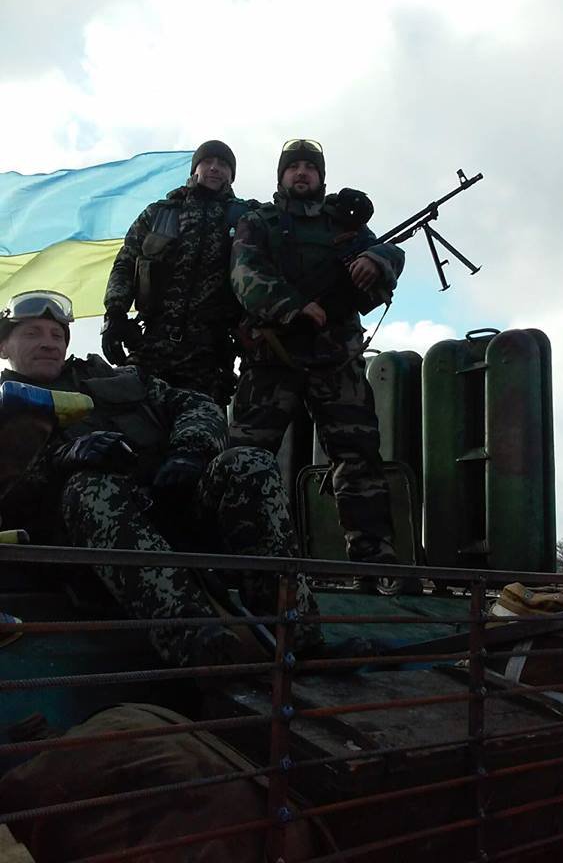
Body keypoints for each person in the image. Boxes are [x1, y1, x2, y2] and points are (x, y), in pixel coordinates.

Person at [0, 290, 322, 664]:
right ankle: (197, 639)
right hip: (81, 555)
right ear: (4, 347)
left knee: (249, 463)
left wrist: (188, 452)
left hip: (172, 507)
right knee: (90, 487)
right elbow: (10, 501)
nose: (48, 343)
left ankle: (300, 636)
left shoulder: (116, 378)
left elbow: (196, 404)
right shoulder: (6, 408)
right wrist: (62, 459)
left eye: (57, 335)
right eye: (32, 333)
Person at [229, 139, 405, 584]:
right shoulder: (259, 221)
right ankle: (237, 560)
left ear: (321, 177)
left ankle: (373, 561)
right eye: (294, 167)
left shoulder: (341, 224)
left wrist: (376, 260)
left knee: (359, 458)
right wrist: (294, 306)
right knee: (245, 458)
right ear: (281, 176)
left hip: (335, 360)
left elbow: (391, 251)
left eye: (310, 167)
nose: (302, 173)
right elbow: (245, 275)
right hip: (272, 358)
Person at [102, 141, 258, 407]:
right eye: (207, 162)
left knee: (200, 424)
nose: (214, 168)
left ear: (232, 176)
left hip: (211, 354)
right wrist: (114, 315)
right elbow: (126, 263)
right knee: (130, 415)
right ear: (195, 169)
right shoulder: (159, 213)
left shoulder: (247, 218)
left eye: (223, 164)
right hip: (152, 342)